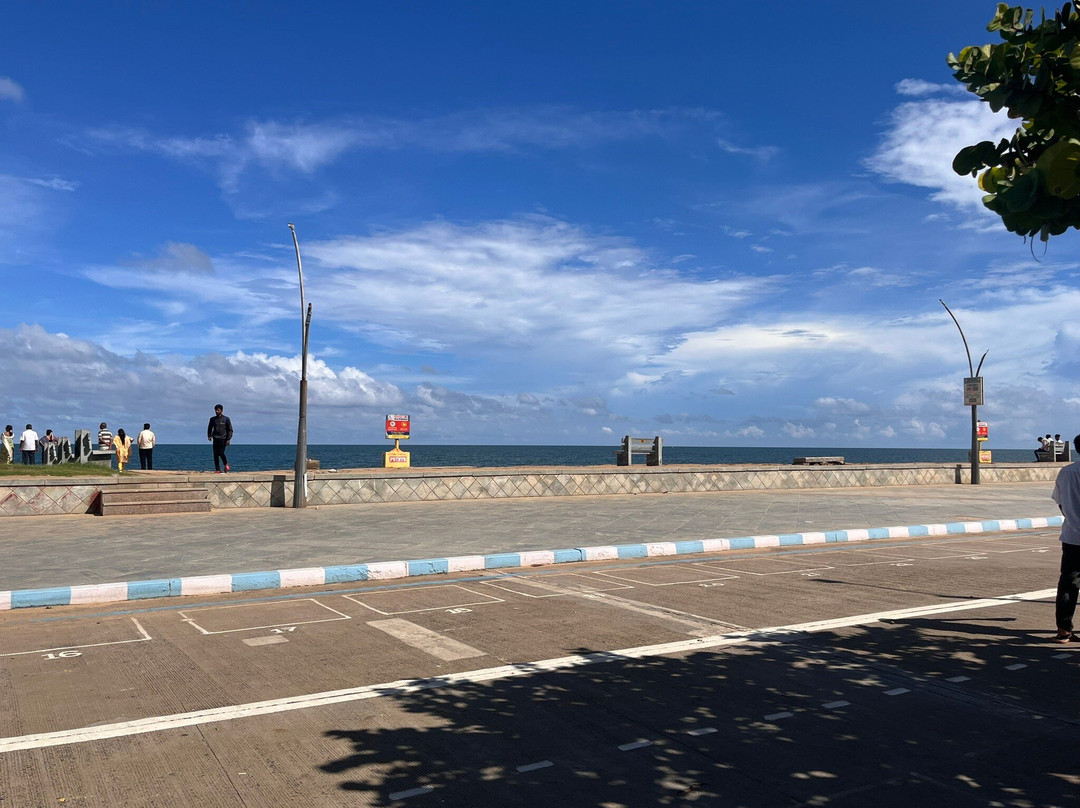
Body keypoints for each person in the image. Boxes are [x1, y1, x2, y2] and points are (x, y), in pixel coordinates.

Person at [1052, 434, 1080, 643]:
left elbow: (1060, 503)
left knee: (1068, 583)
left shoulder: (1066, 472)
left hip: (1072, 536)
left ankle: (1064, 630)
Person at [206, 404, 233, 473]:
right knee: (215, 454)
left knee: (221, 453)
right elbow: (209, 428)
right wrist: (209, 435)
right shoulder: (212, 419)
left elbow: (230, 430)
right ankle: (217, 469)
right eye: (216, 410)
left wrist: (228, 439)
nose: (216, 411)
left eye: (218, 410)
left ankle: (226, 463)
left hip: (223, 439)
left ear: (221, 410)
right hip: (215, 438)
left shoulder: (226, 419)